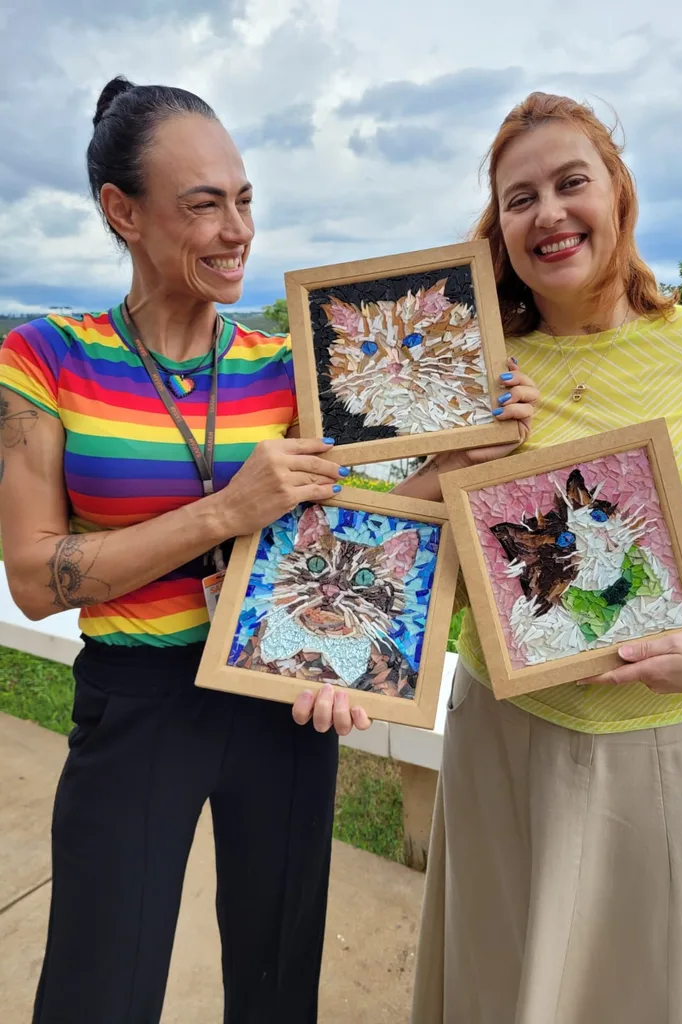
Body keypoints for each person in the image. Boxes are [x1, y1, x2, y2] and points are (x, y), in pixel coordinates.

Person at [0, 76, 379, 1024]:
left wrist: (479, 449)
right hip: (137, 704)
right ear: (121, 211)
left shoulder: (287, 363)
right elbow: (35, 578)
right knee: (98, 987)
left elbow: (364, 525)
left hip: (280, 704)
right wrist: (224, 512)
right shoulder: (44, 359)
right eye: (203, 204)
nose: (235, 230)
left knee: (275, 984)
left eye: (244, 199)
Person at [402, 92, 682, 1024]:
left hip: (674, 748)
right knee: (497, 991)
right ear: (500, 226)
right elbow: (399, 534)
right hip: (502, 746)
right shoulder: (472, 372)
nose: (549, 214)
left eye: (572, 183)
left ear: (621, 194)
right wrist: (452, 460)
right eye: (519, 198)